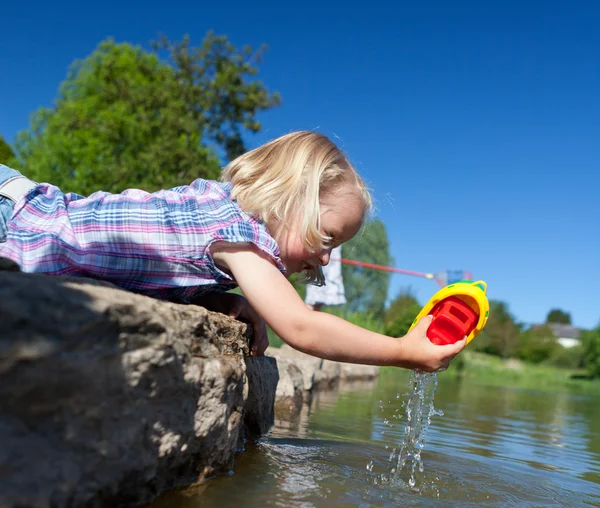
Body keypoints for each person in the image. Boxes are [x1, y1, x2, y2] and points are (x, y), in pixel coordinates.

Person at [0, 131, 465, 371]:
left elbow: (159, 265)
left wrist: (222, 298)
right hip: (17, 219)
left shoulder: (220, 223)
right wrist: (404, 351)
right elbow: (302, 327)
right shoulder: (239, 233)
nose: (325, 258)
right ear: (288, 200)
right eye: (325, 239)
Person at [305, 245, 346, 311]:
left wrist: (337, 274)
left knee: (320, 300)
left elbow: (336, 258)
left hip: (331, 270)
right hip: (320, 267)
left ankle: (312, 318)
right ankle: (305, 317)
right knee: (312, 299)